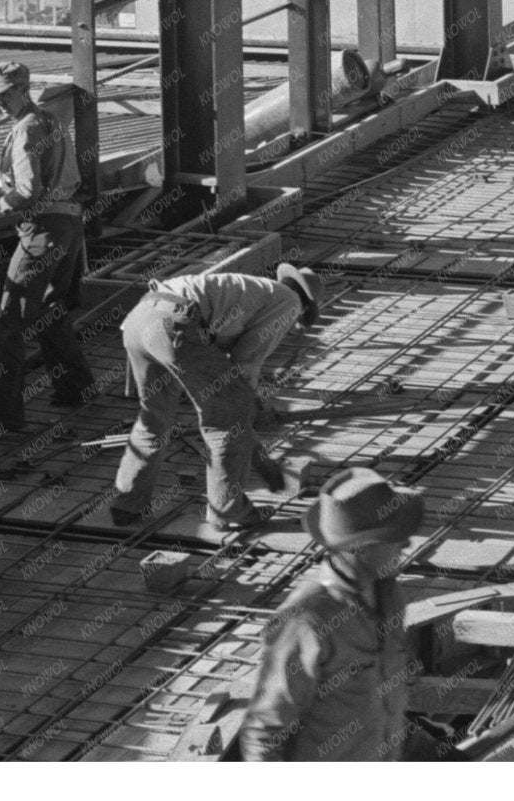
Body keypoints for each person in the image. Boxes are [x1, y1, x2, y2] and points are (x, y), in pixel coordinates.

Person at [111, 263, 324, 531]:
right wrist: (253, 406)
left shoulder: (252, 289)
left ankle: (127, 504)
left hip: (140, 319)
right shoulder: (288, 302)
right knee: (225, 422)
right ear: (303, 306)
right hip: (175, 324)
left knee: (153, 418)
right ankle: (227, 509)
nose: (293, 327)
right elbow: (245, 361)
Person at [237, 466, 424, 761]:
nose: (406, 543)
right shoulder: (307, 622)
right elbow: (264, 733)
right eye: (393, 536)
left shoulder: (390, 596)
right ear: (360, 549)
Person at [0, 59, 93, 433]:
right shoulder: (52, 121)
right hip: (70, 224)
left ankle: (2, 420)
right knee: (49, 310)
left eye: (4, 96)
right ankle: (76, 388)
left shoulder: (25, 130)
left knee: (9, 325)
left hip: (43, 231)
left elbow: (28, 192)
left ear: (23, 90)